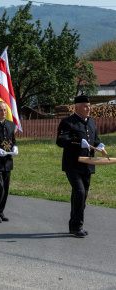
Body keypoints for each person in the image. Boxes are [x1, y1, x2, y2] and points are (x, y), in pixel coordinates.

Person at [56, 95, 104, 237]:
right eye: (85, 106)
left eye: (89, 106)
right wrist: (77, 141)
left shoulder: (92, 123)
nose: (88, 108)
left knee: (82, 196)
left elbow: (95, 139)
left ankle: (74, 225)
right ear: (76, 108)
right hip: (73, 165)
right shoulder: (68, 122)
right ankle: (77, 227)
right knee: (80, 193)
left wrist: (99, 145)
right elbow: (61, 141)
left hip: (88, 165)